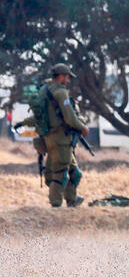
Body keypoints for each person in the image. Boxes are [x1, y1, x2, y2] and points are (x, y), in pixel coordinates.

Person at [31, 64, 89, 208]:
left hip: (50, 139)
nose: (68, 80)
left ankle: (72, 199)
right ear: (61, 76)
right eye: (67, 77)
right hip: (60, 139)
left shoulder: (46, 90)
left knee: (74, 172)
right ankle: (56, 204)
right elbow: (69, 117)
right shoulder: (61, 92)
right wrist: (82, 127)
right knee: (60, 173)